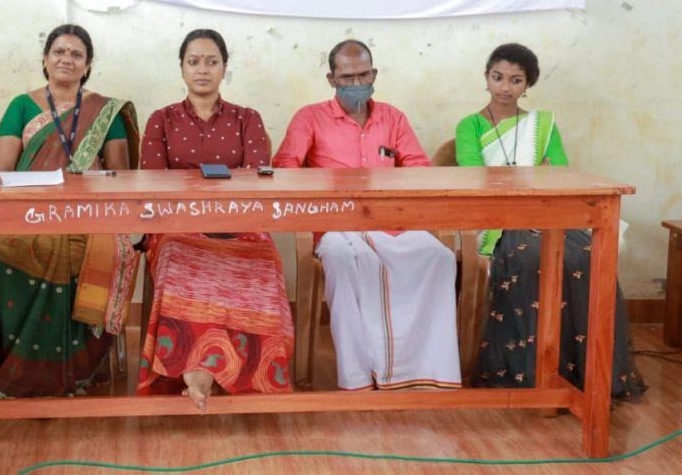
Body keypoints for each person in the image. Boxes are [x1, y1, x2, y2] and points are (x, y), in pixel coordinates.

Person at [454, 42, 645, 398]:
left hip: (548, 213)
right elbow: (476, 177)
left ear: (528, 84)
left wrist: (530, 181)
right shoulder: (470, 126)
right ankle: (530, 374)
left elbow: (558, 174)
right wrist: (530, 176)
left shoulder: (542, 125)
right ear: (486, 78)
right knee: (531, 258)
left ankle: (586, 373)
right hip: (499, 218)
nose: (505, 87)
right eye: (497, 77)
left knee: (588, 255)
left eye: (515, 80)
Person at [272, 40, 461, 391]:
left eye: (364, 75)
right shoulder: (309, 117)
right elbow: (284, 169)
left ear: (374, 74)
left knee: (440, 257)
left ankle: (422, 371)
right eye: (348, 77)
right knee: (343, 259)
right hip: (337, 227)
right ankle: (359, 378)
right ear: (331, 79)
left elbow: (419, 169)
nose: (357, 83)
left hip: (392, 223)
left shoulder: (393, 117)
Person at [137, 29, 293, 410]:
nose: (202, 69)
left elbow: (256, 180)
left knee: (265, 258)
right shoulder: (161, 120)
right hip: (179, 226)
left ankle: (241, 374)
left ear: (224, 68)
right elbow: (154, 184)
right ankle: (198, 368)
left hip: (240, 224)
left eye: (211, 62)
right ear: (182, 68)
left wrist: (226, 214)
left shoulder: (247, 118)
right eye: (193, 62)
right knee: (178, 255)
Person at [0, 24, 140, 397]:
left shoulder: (106, 112)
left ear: (87, 66)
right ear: (45, 59)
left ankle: (73, 368)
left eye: (76, 54)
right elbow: (3, 173)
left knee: (90, 250)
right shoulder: (21, 106)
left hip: (90, 215)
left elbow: (121, 177)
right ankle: (13, 362)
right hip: (31, 212)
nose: (66, 59)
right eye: (59, 51)